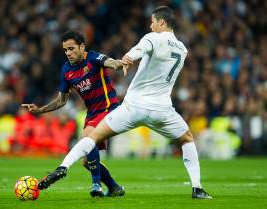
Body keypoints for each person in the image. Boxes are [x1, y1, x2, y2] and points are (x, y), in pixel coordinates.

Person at [37, 6, 212, 199]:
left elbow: (139, 50)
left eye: (153, 22)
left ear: (162, 22)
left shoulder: (152, 37)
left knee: (92, 137)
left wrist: (127, 59)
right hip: (162, 110)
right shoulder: (183, 49)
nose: (151, 25)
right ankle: (197, 188)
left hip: (134, 107)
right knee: (187, 138)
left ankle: (63, 166)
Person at [22, 31, 126, 197]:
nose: (68, 53)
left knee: (87, 137)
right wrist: (40, 110)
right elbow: (61, 100)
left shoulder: (93, 58)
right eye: (65, 50)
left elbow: (110, 62)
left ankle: (96, 185)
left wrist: (119, 64)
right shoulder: (66, 70)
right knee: (87, 161)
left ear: (82, 47)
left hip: (109, 108)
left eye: (71, 48)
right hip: (92, 114)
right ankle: (114, 188)